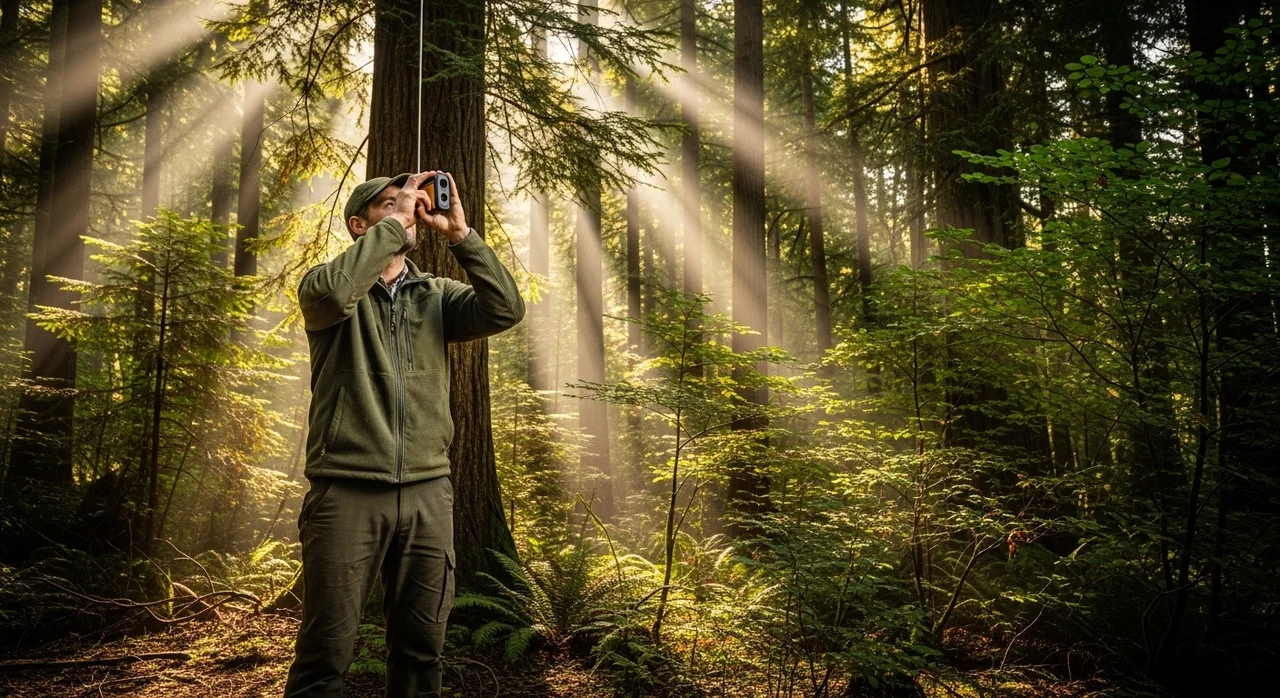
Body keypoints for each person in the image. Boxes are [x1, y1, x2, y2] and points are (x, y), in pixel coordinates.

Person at [284, 170, 525, 697]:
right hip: (345, 492)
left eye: (409, 202)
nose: (408, 208)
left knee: (421, 653)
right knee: (324, 656)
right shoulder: (326, 287)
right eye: (389, 204)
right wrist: (396, 225)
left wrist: (462, 235)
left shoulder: (436, 296)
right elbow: (333, 295)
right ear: (358, 226)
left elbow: (506, 309)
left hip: (427, 495)